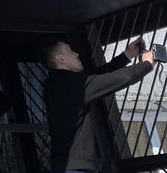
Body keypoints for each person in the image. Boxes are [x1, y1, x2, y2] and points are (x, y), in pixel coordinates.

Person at [41, 37, 154, 173]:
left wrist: (127, 55)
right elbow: (120, 79)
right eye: (70, 51)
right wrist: (147, 64)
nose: (76, 54)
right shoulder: (71, 83)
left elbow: (97, 77)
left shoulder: (56, 84)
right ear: (60, 59)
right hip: (77, 168)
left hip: (68, 165)